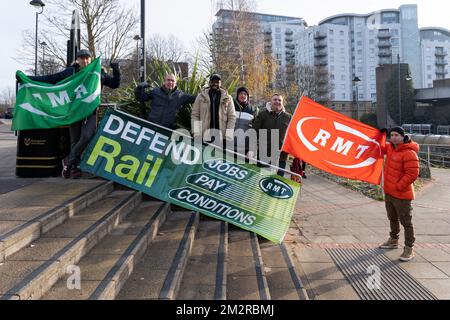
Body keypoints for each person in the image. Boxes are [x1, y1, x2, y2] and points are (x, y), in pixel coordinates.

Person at [18, 49, 121, 179]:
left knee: (87, 136)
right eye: (82, 58)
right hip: (74, 111)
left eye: (87, 58)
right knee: (75, 140)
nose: (85, 60)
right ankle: (73, 168)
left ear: (91, 59)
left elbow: (115, 84)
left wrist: (116, 70)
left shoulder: (97, 72)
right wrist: (27, 79)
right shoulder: (70, 72)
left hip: (91, 111)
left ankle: (68, 160)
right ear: (77, 60)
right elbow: (51, 79)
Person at [379, 126, 420, 262]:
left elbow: (412, 174)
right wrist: (381, 135)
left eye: (397, 135)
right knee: (392, 218)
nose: (394, 137)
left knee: (406, 222)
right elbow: (378, 147)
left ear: (403, 136)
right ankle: (393, 240)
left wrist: (398, 186)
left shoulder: (409, 152)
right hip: (389, 192)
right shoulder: (391, 147)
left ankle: (409, 248)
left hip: (402, 194)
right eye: (392, 135)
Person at [252, 94, 292, 176]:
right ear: (271, 102)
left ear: (282, 103)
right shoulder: (262, 114)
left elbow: (292, 137)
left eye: (279, 100)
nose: (277, 102)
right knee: (261, 179)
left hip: (281, 157)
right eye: (275, 99)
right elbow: (254, 132)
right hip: (264, 155)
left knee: (277, 182)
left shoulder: (288, 118)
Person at [191, 74, 236, 146]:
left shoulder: (228, 98)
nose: (215, 84)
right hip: (204, 136)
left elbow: (232, 117)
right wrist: (196, 133)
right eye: (213, 81)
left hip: (222, 138)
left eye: (217, 82)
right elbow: (195, 115)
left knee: (219, 157)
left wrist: (228, 136)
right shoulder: (200, 96)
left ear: (220, 84)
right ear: (209, 83)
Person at [233, 86, 258, 160]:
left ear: (247, 96)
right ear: (237, 95)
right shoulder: (231, 106)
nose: (243, 95)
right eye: (240, 93)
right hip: (229, 145)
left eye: (245, 94)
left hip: (244, 148)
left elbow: (255, 130)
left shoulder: (253, 110)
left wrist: (252, 149)